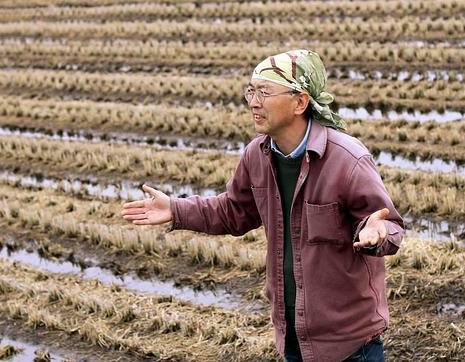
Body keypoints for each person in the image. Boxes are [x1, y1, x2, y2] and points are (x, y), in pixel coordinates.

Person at [122, 50, 404, 362]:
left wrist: (377, 231)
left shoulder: (347, 160)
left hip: (350, 343)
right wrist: (176, 209)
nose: (254, 102)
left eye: (265, 92)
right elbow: (233, 211)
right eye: (251, 91)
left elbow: (387, 224)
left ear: (300, 102)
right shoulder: (258, 155)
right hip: (293, 334)